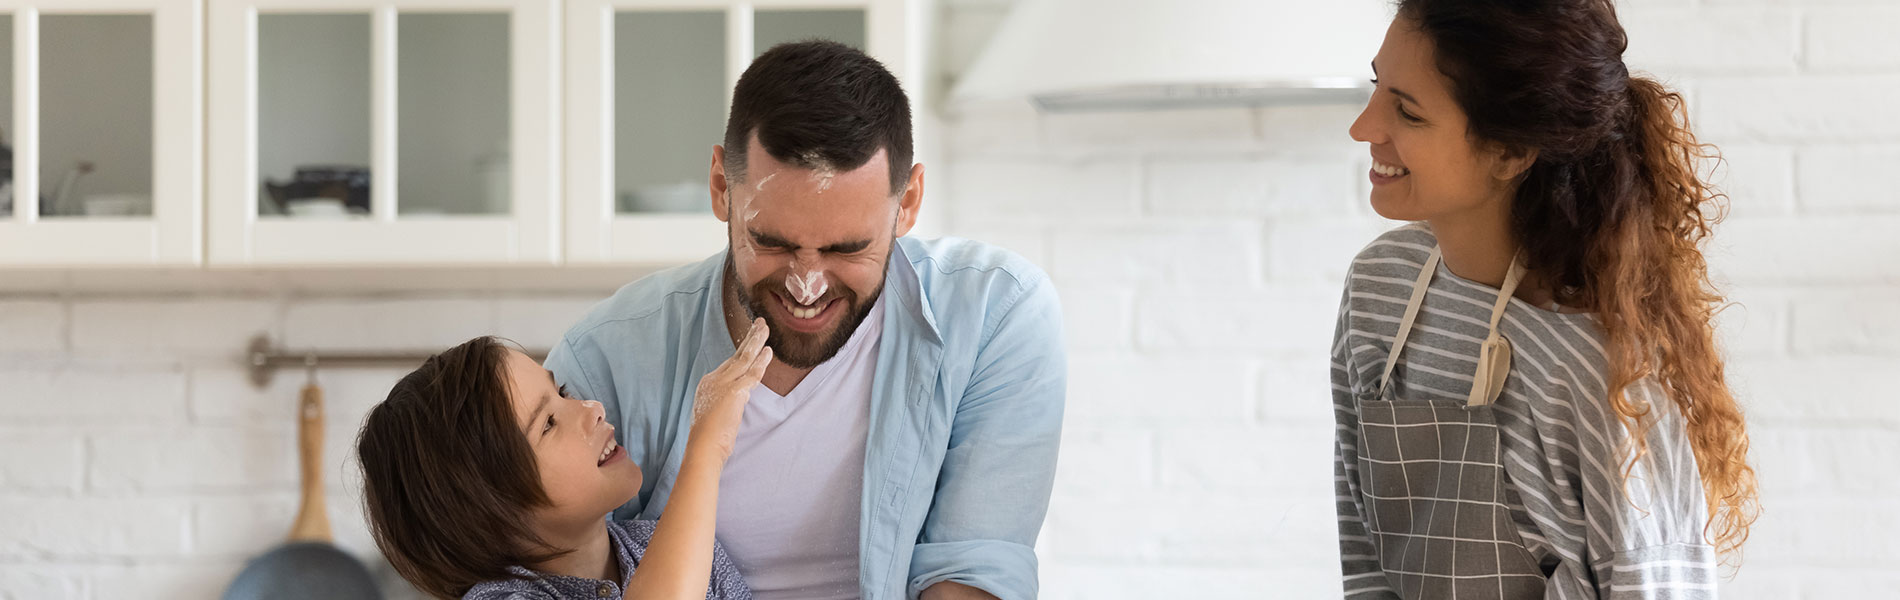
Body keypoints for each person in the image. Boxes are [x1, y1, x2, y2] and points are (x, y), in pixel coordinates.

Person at [545, 40, 1066, 600]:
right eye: (771, 242)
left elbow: (972, 570)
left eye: (847, 248)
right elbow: (523, 566)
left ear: (908, 201)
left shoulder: (994, 315)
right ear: (722, 187)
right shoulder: (605, 355)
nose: (806, 285)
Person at [1329, 0, 1760, 597]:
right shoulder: (1380, 288)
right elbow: (1364, 555)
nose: (1363, 127)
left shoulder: (1600, 374)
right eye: (1379, 87)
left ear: (1509, 152)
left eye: (1407, 112)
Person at [356, 319, 773, 599]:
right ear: (487, 505)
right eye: (549, 423)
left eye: (564, 392)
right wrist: (705, 449)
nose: (591, 408)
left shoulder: (669, 546)